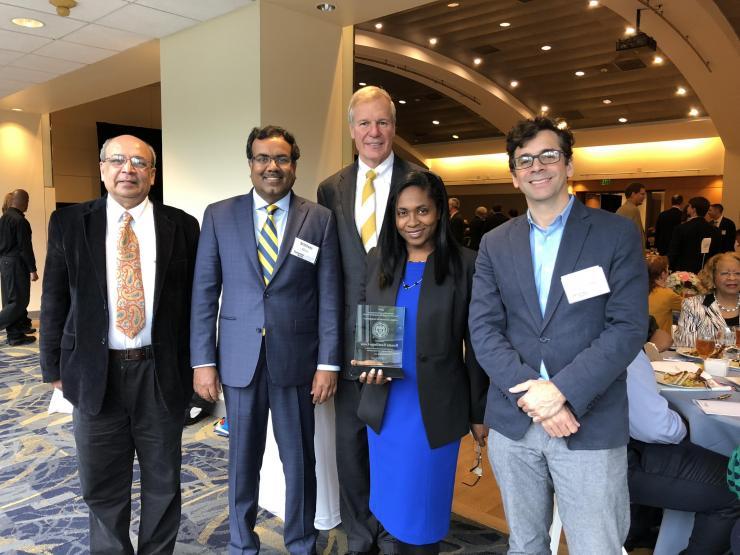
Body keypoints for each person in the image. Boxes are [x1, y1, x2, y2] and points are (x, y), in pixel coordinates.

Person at [469, 116, 647, 554]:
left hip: (589, 419)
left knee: (596, 546)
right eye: (525, 160)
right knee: (526, 545)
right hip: (515, 421)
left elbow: (627, 327)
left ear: (568, 165)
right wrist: (537, 399)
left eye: (549, 155)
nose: (537, 166)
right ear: (514, 175)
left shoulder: (615, 233)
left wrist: (562, 392)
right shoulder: (495, 242)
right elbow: (483, 328)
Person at [40, 135, 200, 554]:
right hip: (95, 372)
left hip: (160, 373)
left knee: (163, 480)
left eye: (138, 162)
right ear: (102, 169)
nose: (127, 169)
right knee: (101, 482)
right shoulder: (70, 223)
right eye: (117, 160)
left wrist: (201, 364)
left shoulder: (182, 225)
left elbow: (195, 304)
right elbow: (55, 297)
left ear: (152, 173)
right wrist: (53, 366)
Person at [191, 125, 341, 555]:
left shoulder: (319, 219)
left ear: (294, 165)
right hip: (238, 359)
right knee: (242, 460)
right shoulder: (219, 215)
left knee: (299, 461)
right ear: (251, 164)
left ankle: (300, 542)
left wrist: (328, 363)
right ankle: (242, 543)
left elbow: (330, 296)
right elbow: (204, 291)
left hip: (296, 361)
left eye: (281, 159)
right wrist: (203, 360)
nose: (272, 167)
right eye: (263, 158)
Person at [356, 170, 488, 554]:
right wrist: (366, 368)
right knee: (392, 504)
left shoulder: (466, 264)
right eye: (402, 213)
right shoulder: (379, 259)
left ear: (440, 212)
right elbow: (367, 325)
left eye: (422, 211)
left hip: (434, 408)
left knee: (424, 512)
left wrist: (479, 412)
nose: (412, 222)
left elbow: (476, 345)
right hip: (386, 405)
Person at [317, 85, 421, 555]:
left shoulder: (421, 180)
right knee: (352, 444)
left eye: (382, 122)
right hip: (346, 338)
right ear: (351, 130)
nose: (373, 132)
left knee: (395, 442)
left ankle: (393, 530)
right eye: (364, 123)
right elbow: (330, 270)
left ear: (394, 128)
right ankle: (360, 534)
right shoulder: (330, 187)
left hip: (404, 332)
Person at [626, 348, 739, 553]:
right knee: (734, 488)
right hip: (612, 462)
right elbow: (655, 428)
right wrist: (687, 426)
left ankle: (642, 529)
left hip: (582, 455)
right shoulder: (622, 347)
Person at [674, 252, 740, 347]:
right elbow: (685, 345)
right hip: (703, 361)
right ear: (712, 276)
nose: (732, 278)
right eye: (725, 273)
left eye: (738, 273)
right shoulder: (693, 305)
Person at [0, 189, 38, 345]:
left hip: (4, 262)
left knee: (10, 299)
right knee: (18, 301)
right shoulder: (20, 221)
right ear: (20, 201)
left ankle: (16, 334)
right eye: (27, 200)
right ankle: (15, 334)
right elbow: (25, 248)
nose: (28, 203)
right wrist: (32, 269)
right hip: (16, 263)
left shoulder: (3, 219)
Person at [668, 196, 721, 273]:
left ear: (694, 209)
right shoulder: (715, 230)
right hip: (705, 271)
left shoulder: (681, 228)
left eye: (689, 206)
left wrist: (670, 268)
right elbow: (716, 254)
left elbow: (674, 251)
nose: (687, 208)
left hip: (683, 271)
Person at [647, 254, 682, 334]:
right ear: (663, 274)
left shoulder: (640, 290)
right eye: (668, 270)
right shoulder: (668, 294)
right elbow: (691, 306)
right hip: (659, 342)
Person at [616, 182, 646, 248]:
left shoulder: (622, 208)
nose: (644, 197)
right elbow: (636, 236)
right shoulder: (632, 209)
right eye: (642, 194)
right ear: (633, 194)